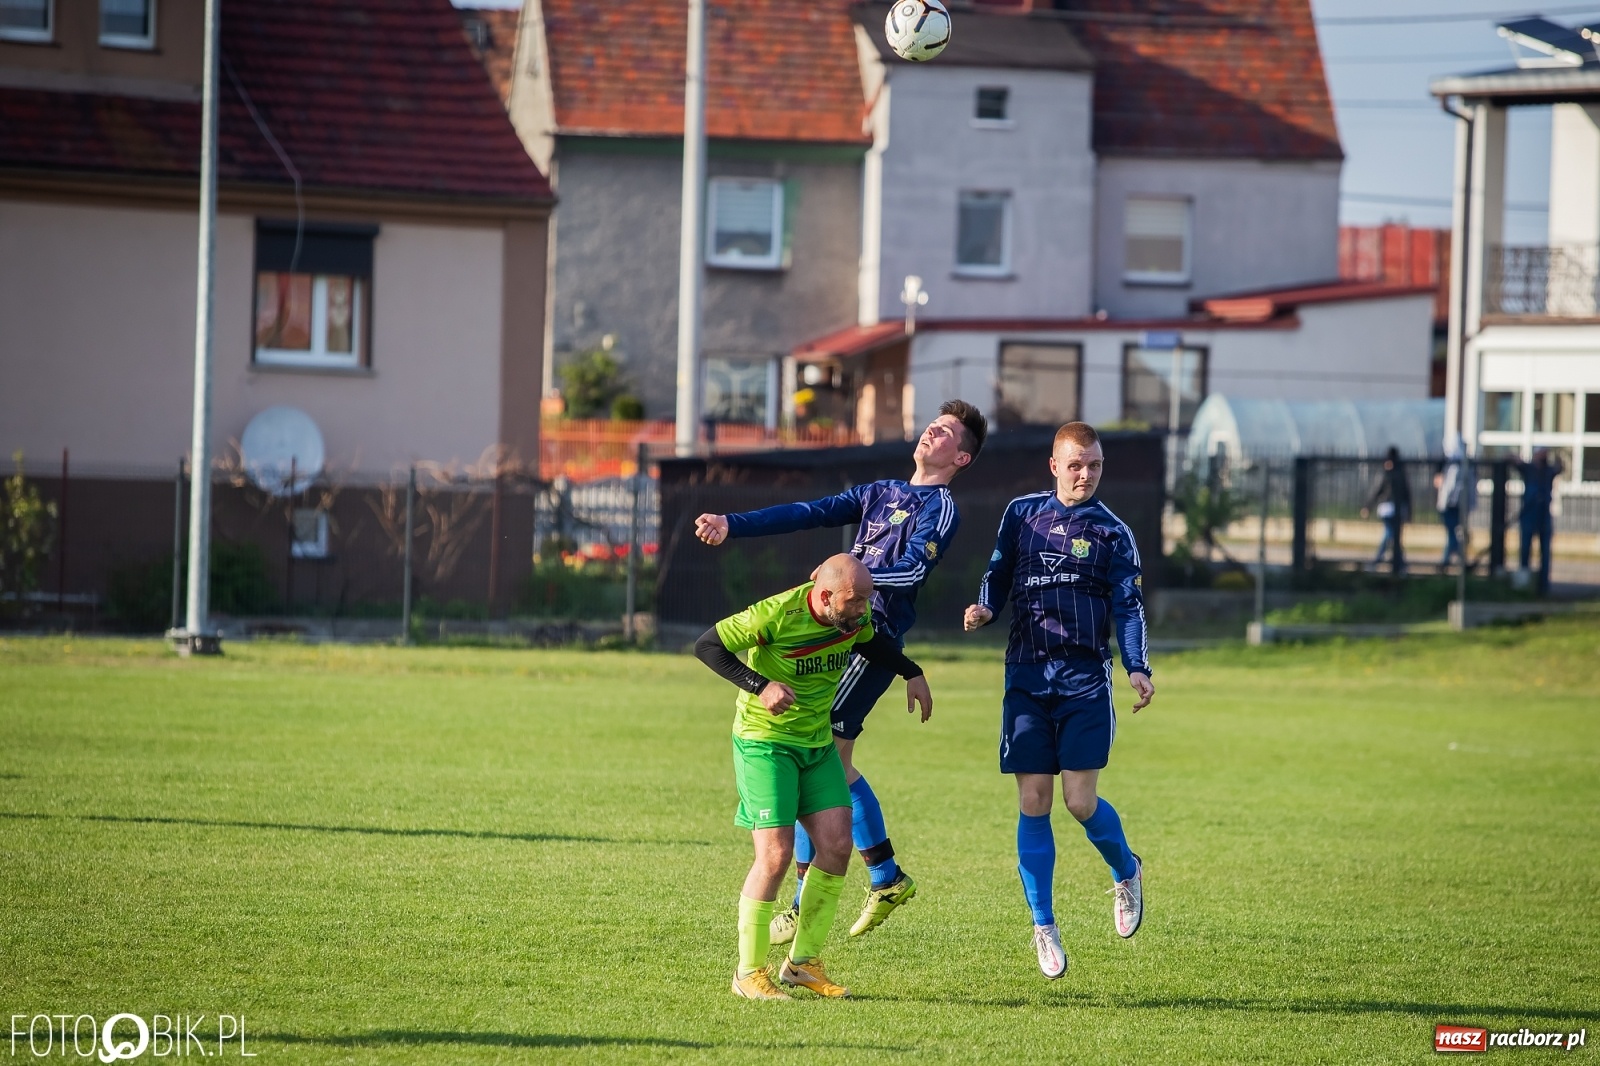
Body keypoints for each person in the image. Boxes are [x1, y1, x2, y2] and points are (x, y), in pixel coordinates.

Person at [693, 399, 986, 941]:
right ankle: (880, 877)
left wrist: (847, 577)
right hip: (838, 639)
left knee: (823, 753)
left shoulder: (941, 508)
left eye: (946, 432)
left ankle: (855, 884)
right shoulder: (879, 492)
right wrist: (732, 523)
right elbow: (808, 512)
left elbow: (910, 568)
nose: (932, 431)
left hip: (869, 639)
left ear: (961, 458)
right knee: (823, 755)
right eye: (933, 424)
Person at [962, 421, 1154, 980]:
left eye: (1094, 465)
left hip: (1085, 679)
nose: (1085, 475)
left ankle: (1126, 870)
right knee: (1033, 801)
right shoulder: (1021, 515)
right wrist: (985, 608)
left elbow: (1128, 605)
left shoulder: (1114, 533)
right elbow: (997, 573)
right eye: (1075, 465)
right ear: (1054, 465)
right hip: (1026, 676)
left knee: (1079, 801)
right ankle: (1043, 925)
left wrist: (1137, 665)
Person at [694, 554, 932, 1000]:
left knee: (838, 846)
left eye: (867, 600)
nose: (863, 609)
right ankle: (748, 973)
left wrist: (911, 671)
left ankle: (801, 964)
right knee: (776, 856)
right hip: (765, 744)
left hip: (816, 744)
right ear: (824, 596)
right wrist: (760, 685)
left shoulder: (850, 620)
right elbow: (707, 645)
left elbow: (872, 644)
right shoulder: (776, 614)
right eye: (855, 601)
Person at [1517, 449, 1563, 595]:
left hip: (1543, 516)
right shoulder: (1529, 469)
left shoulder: (1548, 471)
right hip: (1529, 514)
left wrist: (1558, 455)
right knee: (1525, 549)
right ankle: (1524, 582)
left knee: (1544, 551)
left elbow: (1560, 467)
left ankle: (1543, 585)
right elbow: (1513, 462)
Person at [1362, 446, 1411, 574]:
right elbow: (1407, 493)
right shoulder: (1400, 473)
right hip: (1396, 508)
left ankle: (1382, 561)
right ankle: (1399, 564)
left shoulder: (1386, 473)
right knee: (1392, 535)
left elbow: (1377, 490)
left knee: (1390, 535)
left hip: (1388, 508)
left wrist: (1368, 506)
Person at [1433, 437, 1473, 569]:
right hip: (1458, 503)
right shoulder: (1463, 462)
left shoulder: (1454, 463)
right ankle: (1450, 561)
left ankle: (1451, 560)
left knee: (1453, 533)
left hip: (1451, 504)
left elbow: (1451, 487)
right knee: (1454, 532)